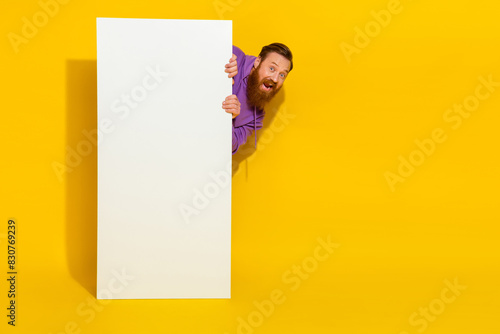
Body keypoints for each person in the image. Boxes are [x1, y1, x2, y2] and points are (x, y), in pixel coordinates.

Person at [223, 43, 293, 154]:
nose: (275, 79)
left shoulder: (256, 117)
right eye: (272, 68)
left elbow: (229, 148)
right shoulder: (232, 56)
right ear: (257, 61)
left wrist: (227, 119)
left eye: (282, 75)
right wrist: (217, 65)